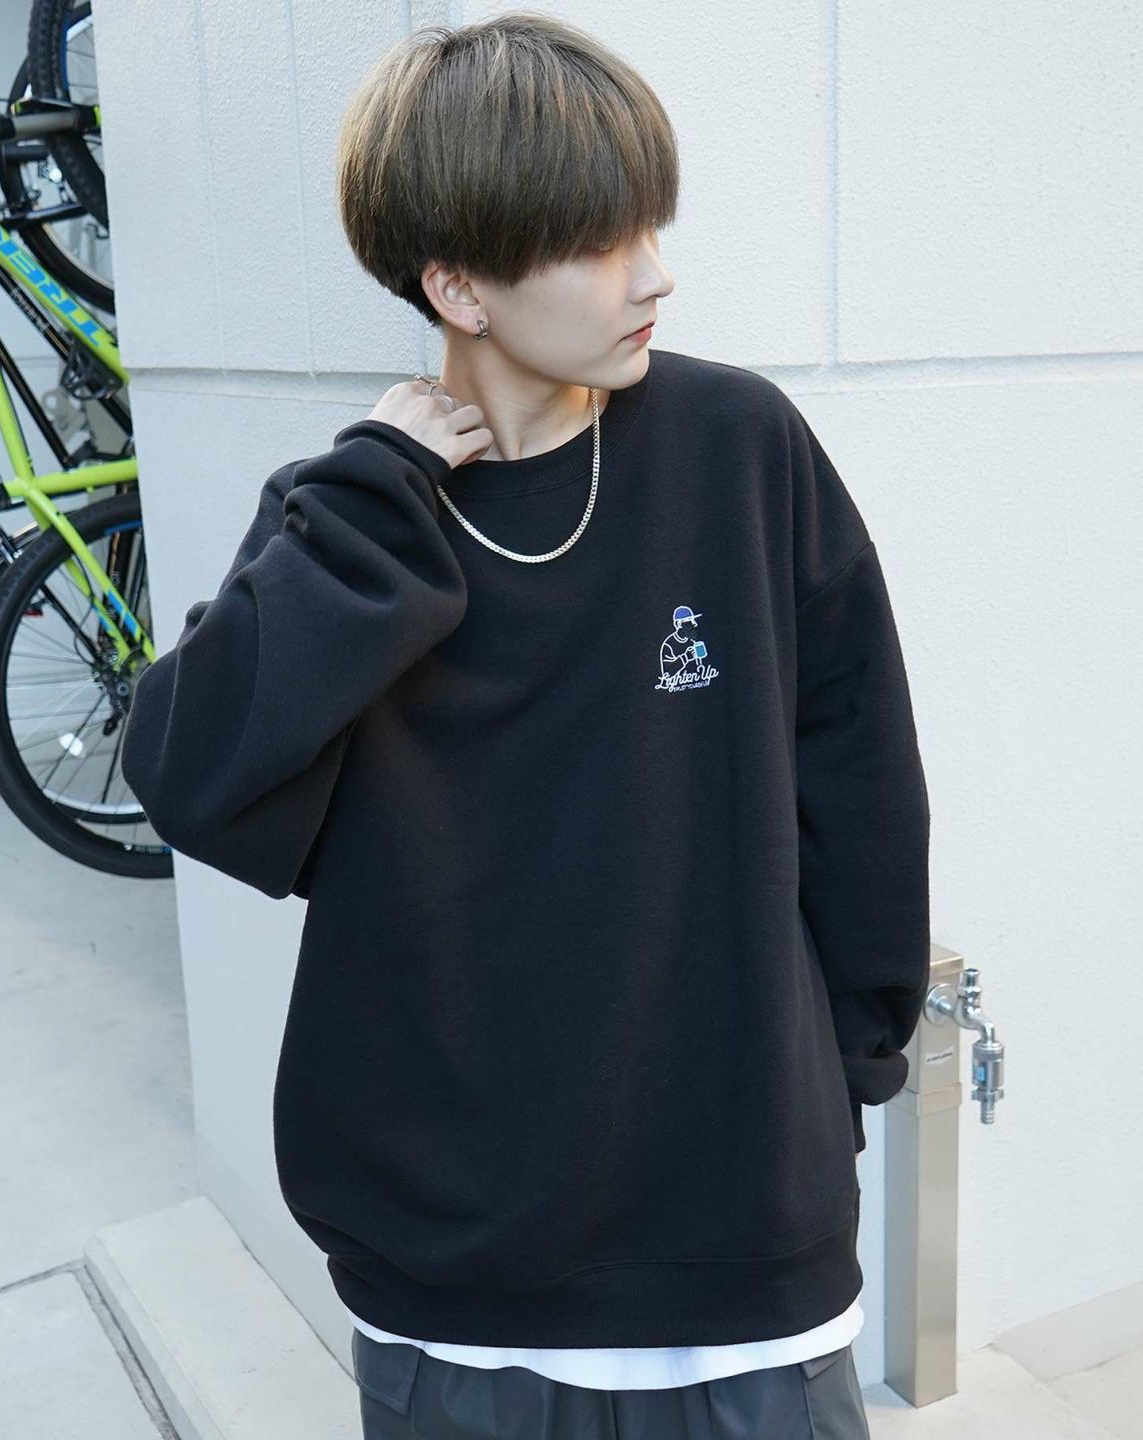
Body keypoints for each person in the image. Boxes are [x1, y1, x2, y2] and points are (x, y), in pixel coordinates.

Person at [120, 12, 931, 1438]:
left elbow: (860, 777)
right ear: (459, 285)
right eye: (603, 242)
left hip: (741, 1239)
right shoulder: (351, 525)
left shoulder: (738, 450)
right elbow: (191, 779)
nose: (655, 275)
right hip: (451, 1274)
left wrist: (842, 1077)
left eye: (651, 229)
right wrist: (378, 497)